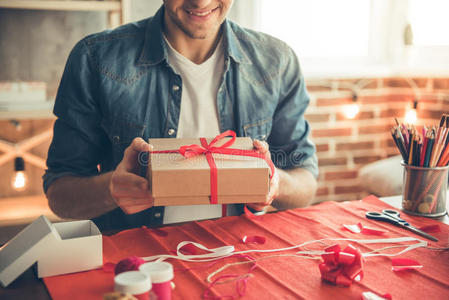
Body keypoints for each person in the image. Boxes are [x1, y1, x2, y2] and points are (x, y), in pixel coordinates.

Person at [44, 0, 318, 231]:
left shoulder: (277, 61)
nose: (200, 2)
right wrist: (111, 189)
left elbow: (305, 179)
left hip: (241, 257)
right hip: (137, 269)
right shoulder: (95, 58)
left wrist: (275, 183)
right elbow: (60, 194)